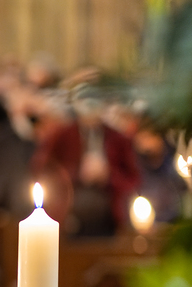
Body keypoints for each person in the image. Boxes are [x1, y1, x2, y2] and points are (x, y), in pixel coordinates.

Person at [33, 90, 141, 235]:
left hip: (109, 205)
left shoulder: (118, 138)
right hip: (71, 206)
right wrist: (78, 172)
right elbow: (43, 169)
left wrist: (108, 174)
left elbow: (133, 177)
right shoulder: (62, 135)